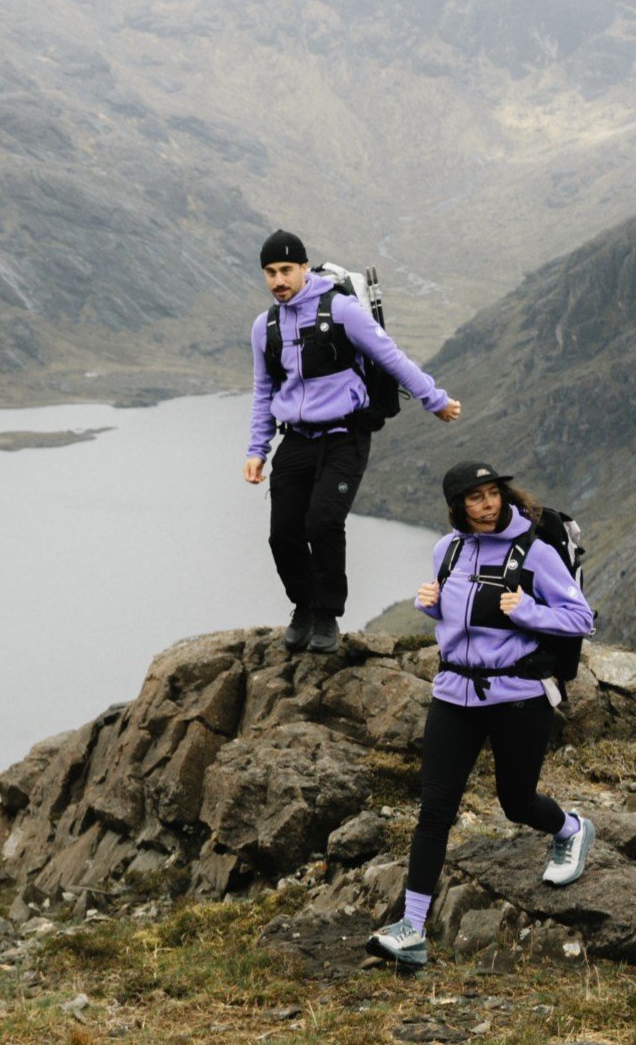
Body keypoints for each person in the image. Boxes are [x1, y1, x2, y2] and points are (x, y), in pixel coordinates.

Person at [366, 462, 597, 968]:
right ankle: (411, 928)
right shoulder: (446, 551)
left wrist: (528, 611)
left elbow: (582, 616)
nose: (489, 504)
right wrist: (429, 606)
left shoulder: (533, 551)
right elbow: (463, 614)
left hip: (517, 694)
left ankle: (571, 829)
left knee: (516, 802)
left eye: (494, 493)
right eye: (476, 498)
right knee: (434, 810)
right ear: (458, 507)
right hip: (453, 692)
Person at [243, 230, 461, 656]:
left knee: (323, 522)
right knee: (283, 535)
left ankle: (326, 613)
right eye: (270, 273)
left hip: (345, 436)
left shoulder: (341, 310)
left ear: (304, 268)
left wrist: (434, 400)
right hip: (297, 440)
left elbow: (390, 357)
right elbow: (262, 391)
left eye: (286, 270)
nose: (278, 280)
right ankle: (303, 606)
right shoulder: (264, 326)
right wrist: (256, 449)